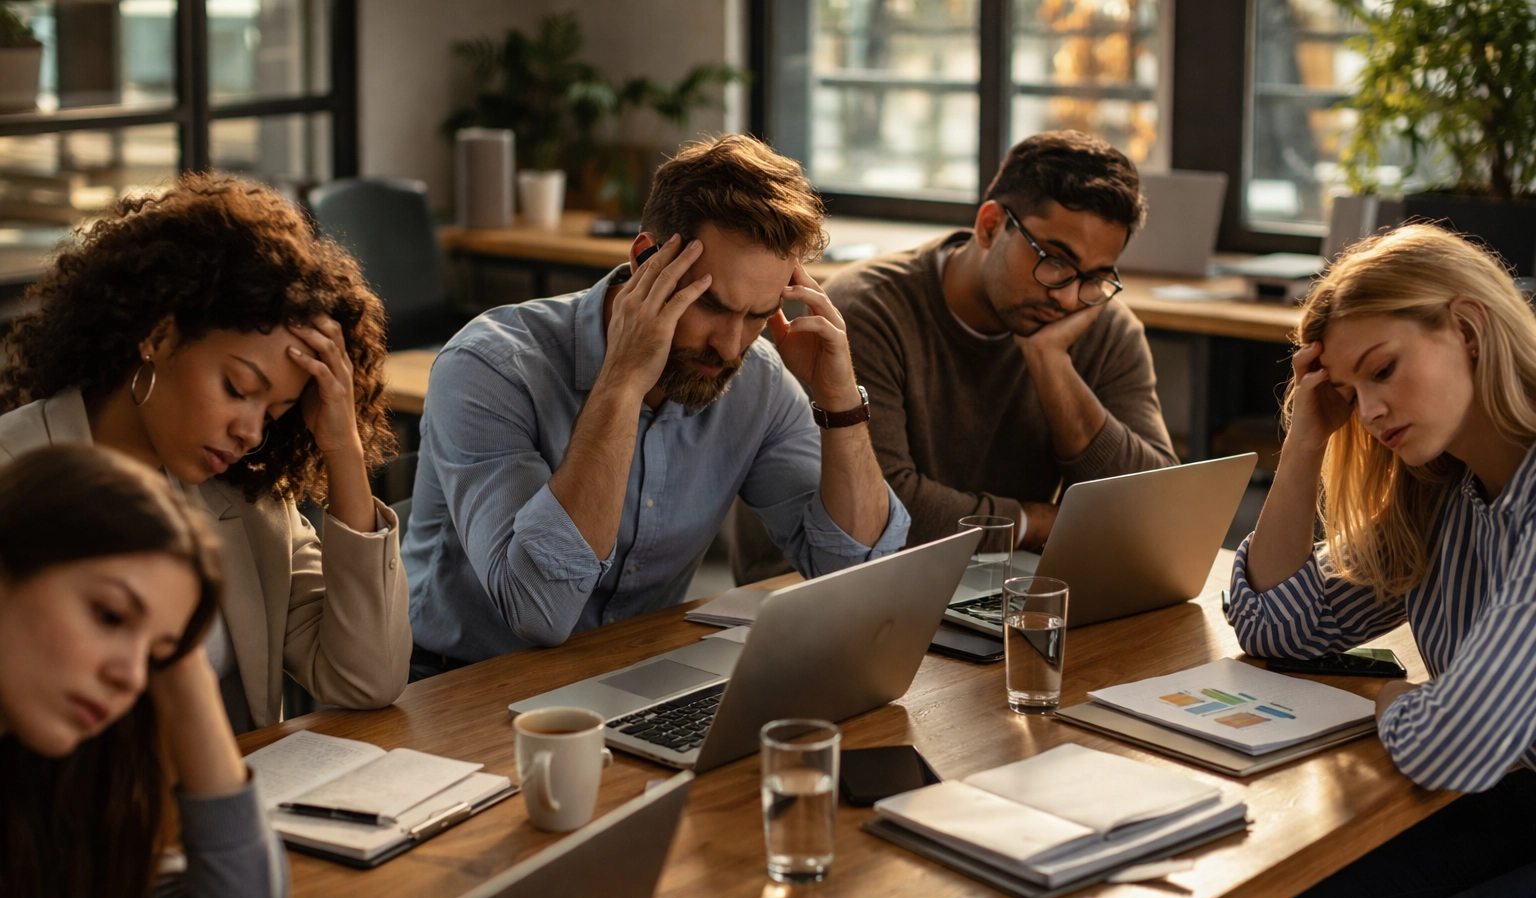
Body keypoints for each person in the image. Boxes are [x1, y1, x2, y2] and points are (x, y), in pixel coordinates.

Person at [403, 134, 909, 674]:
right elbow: (539, 612)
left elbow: (861, 574)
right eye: (711, 305)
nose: (732, 345)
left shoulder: (757, 378)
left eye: (759, 315)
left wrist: (837, 401)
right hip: (458, 687)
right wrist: (622, 380)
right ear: (646, 259)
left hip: (634, 674)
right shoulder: (489, 367)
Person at [1225, 224, 1536, 898]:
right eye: (1350, 393)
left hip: (1502, 790)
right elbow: (1278, 626)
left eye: (1383, 371)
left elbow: (1458, 743)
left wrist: (1394, 706)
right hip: (1518, 800)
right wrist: (1303, 441)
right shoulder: (1445, 489)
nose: (1370, 412)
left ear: (1467, 328)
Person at [0, 173, 412, 732]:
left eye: (274, 414)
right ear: (159, 336)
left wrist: (343, 448)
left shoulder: (250, 505)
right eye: (239, 389)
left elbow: (367, 678)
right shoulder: (13, 477)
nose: (251, 433)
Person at [0, 445, 292, 898]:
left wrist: (185, 678)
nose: (131, 678)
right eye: (110, 615)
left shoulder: (59, 801)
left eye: (154, 655)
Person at [829, 130, 1176, 554]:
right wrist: (1032, 523)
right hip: (842, 585)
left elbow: (1154, 506)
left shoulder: (1101, 323)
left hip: (1001, 579)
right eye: (1054, 260)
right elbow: (881, 510)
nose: (1068, 297)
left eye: (1096, 275)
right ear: (990, 226)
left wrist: (1051, 363)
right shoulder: (867, 310)